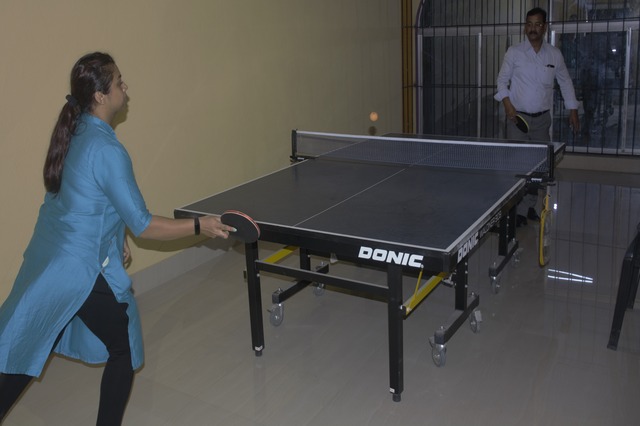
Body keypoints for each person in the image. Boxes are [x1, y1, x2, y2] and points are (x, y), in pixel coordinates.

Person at [0, 52, 234, 425]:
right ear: (100, 96)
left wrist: (115, 232)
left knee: (37, 342)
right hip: (75, 269)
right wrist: (199, 226)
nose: (125, 87)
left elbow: (87, 199)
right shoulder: (107, 149)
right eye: (119, 82)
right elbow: (145, 225)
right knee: (120, 350)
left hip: (47, 258)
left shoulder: (76, 130)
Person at [494, 7, 580, 226]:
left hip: (542, 121)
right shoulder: (514, 52)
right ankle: (515, 210)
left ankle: (528, 207)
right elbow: (502, 81)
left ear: (544, 27)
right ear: (525, 27)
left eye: (537, 24)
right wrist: (507, 105)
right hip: (517, 120)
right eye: (529, 24)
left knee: (539, 167)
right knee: (517, 167)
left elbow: (565, 81)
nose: (533, 28)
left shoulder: (554, 54)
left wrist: (573, 110)